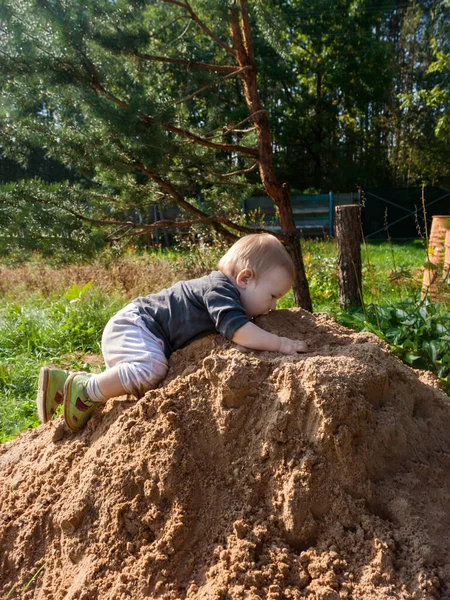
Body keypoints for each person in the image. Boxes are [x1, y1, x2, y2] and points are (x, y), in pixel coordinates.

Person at [37, 233, 308, 432]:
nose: (273, 306)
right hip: (137, 325)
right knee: (151, 368)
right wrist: (281, 343)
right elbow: (239, 332)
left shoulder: (225, 291)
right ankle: (87, 390)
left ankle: (63, 383)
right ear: (245, 279)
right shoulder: (220, 291)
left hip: (139, 329)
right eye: (273, 296)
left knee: (140, 376)